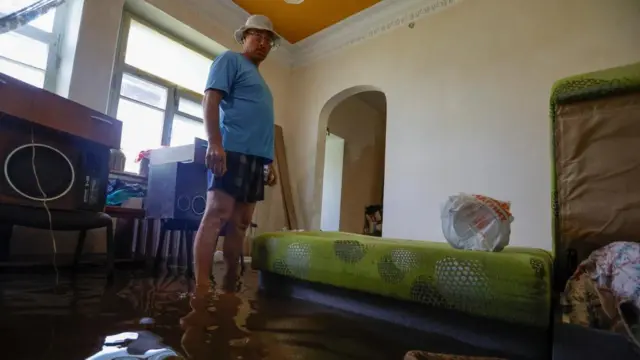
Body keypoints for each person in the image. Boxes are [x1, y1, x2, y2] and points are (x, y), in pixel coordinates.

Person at [194, 14, 279, 291]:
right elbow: (210, 99)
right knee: (217, 214)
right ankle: (202, 286)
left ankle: (231, 284)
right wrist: (214, 142)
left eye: (268, 39)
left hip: (256, 158)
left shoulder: (262, 82)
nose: (263, 42)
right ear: (244, 37)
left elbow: (261, 123)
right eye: (258, 35)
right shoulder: (230, 60)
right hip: (231, 150)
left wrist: (269, 161)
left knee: (241, 223)